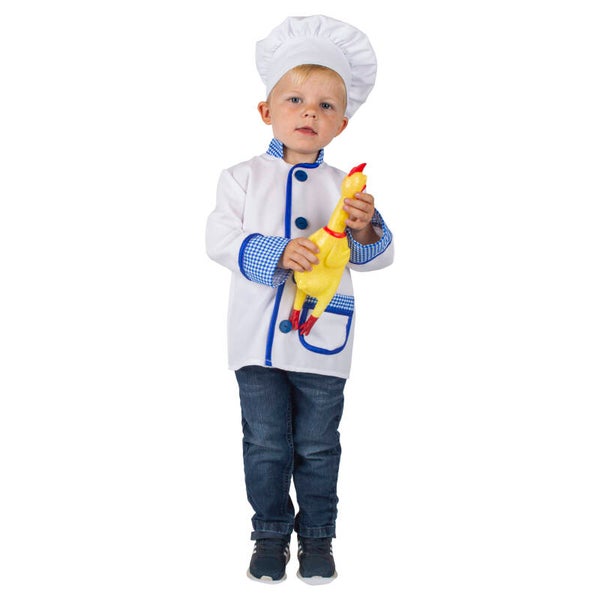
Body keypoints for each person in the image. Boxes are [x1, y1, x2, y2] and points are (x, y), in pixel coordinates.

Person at [206, 15, 394, 585]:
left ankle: (317, 539)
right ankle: (268, 536)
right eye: (295, 100)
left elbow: (377, 256)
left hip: (322, 341)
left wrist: (365, 229)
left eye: (325, 106)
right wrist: (277, 252)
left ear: (341, 123)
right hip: (257, 341)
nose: (309, 112)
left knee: (317, 446)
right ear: (267, 111)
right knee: (265, 444)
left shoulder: (346, 187)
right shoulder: (241, 177)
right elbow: (219, 238)